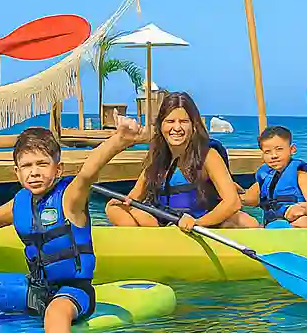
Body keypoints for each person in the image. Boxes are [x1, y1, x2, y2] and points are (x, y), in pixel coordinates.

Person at [0, 117, 142, 333]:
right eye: (27, 166)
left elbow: (89, 172)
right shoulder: (19, 204)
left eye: (42, 164)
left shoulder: (70, 199)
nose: (34, 172)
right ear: (17, 173)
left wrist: (119, 140)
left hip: (73, 292)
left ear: (58, 169)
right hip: (35, 290)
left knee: (55, 313)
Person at [105, 91, 245, 231]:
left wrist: (197, 223)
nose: (177, 128)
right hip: (165, 225)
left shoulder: (208, 156)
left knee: (244, 221)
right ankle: (141, 246)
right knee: (113, 208)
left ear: (193, 125)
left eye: (183, 122)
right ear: (161, 125)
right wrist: (122, 202)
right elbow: (133, 198)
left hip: (198, 226)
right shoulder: (157, 159)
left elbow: (232, 203)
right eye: (170, 121)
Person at [238, 125, 307, 228]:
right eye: (267, 152)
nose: (274, 155)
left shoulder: (300, 175)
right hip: (274, 221)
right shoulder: (265, 175)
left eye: (279, 149)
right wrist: (234, 192)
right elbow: (250, 199)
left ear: (292, 149)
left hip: (298, 219)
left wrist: (302, 210)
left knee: (303, 221)